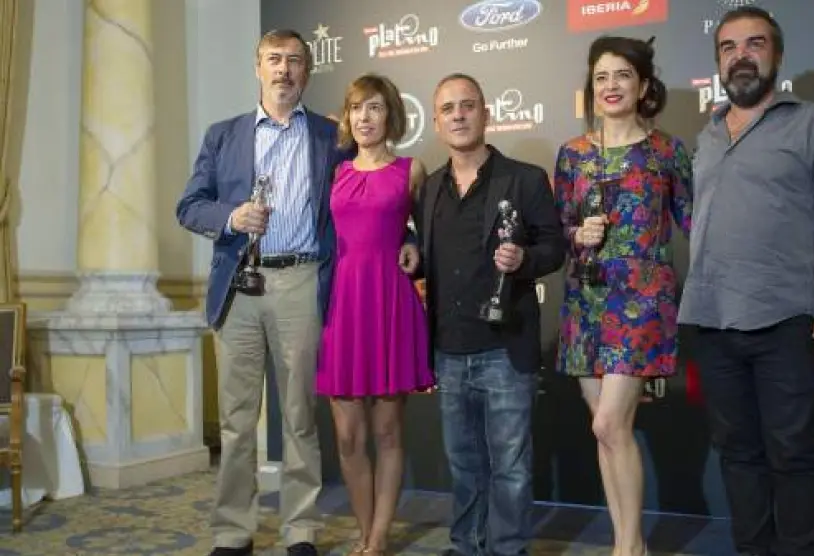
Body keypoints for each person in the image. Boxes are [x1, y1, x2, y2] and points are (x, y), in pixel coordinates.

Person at [176, 29, 408, 556]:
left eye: (295, 61)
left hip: (302, 282)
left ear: (307, 71)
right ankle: (233, 531)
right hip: (238, 284)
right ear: (257, 67)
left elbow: (376, 197)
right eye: (274, 59)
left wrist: (409, 240)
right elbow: (189, 205)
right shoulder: (223, 135)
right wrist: (231, 217)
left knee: (300, 417)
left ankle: (299, 530)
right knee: (236, 421)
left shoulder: (332, 137)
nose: (284, 69)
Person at [678, 7, 814, 556]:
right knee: (737, 454)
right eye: (729, 47)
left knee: (794, 453)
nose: (741, 56)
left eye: (754, 44)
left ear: (776, 55)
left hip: (785, 317)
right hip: (712, 320)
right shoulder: (708, 134)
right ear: (719, 62)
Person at [413, 73, 567, 556]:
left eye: (468, 105)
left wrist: (525, 259)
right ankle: (467, 545)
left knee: (511, 467)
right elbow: (424, 257)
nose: (458, 115)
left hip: (505, 348)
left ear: (486, 113)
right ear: (436, 122)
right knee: (463, 465)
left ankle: (507, 548)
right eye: (448, 108)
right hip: (448, 349)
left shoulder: (524, 179)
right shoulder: (429, 189)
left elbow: (555, 247)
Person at [553, 35, 693, 556]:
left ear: (643, 85)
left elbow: (696, 222)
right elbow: (558, 228)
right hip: (585, 299)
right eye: (602, 77)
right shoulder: (573, 154)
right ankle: (628, 543)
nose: (611, 86)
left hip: (642, 300)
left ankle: (628, 549)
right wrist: (577, 234)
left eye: (623, 75)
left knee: (609, 421)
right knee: (608, 432)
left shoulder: (667, 152)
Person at [315, 73, 433, 555]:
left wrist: (413, 246)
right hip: (340, 305)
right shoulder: (334, 170)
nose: (364, 117)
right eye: (356, 108)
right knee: (348, 436)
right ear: (347, 116)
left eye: (375, 108)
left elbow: (427, 235)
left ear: (391, 116)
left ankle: (378, 537)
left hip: (389, 303)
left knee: (387, 431)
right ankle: (364, 530)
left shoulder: (412, 170)